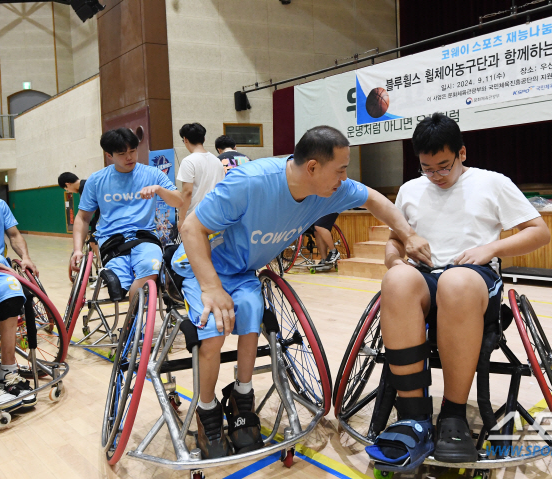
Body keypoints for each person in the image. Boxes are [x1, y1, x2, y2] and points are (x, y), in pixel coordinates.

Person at [172, 125, 431, 459]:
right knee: (214, 331)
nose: (344, 177)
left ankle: (242, 397)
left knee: (252, 318)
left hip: (243, 273)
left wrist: (408, 234)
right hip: (201, 266)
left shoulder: (330, 188)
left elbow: (374, 199)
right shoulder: (250, 183)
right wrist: (210, 286)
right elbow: (191, 227)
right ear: (312, 167)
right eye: (340, 169)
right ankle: (206, 410)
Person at [366, 113, 549, 471]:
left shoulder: (492, 183)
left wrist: (491, 250)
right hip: (426, 278)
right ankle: (414, 416)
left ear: (462, 153)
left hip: (473, 279)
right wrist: (394, 261)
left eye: (444, 166)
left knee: (456, 281)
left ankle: (453, 413)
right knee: (396, 282)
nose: (436, 175)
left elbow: (539, 232)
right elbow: (394, 239)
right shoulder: (410, 190)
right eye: (427, 168)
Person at [70, 128, 183, 301]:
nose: (129, 157)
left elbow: (179, 201)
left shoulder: (152, 174)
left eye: (133, 151)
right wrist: (77, 249)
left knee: (150, 268)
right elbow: (83, 217)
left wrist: (159, 189)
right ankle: (123, 290)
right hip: (111, 240)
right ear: (109, 155)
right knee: (118, 286)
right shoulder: (96, 180)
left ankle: (133, 323)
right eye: (122, 153)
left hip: (145, 237)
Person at [0, 198, 39, 412]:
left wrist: (25, 257)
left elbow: (14, 235)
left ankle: (7, 369)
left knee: (13, 289)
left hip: (0, 269)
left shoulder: (0, 205)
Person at [178, 123, 225, 224]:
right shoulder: (217, 161)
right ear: (203, 139)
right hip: (215, 216)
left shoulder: (188, 161)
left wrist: (181, 219)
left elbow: (187, 192)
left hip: (195, 217)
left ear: (185, 139)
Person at [58, 172, 100, 258]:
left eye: (66, 189)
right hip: (101, 216)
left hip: (102, 217)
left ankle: (103, 263)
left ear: (68, 184)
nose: (68, 191)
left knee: (93, 242)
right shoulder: (85, 184)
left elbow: (91, 209)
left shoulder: (84, 187)